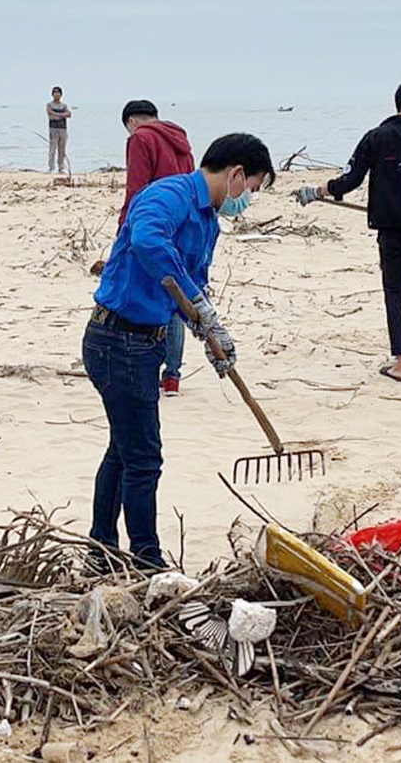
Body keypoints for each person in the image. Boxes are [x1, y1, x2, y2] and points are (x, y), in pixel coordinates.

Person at [85, 133, 275, 570]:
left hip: (145, 343)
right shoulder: (167, 195)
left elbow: (189, 291)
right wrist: (198, 304)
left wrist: (211, 332)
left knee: (125, 448)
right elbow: (150, 243)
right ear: (237, 175)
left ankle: (101, 546)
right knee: (144, 457)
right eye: (251, 189)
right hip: (117, 340)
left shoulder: (208, 221)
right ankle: (145, 558)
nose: (247, 200)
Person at [295, 80, 401, 382]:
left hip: (390, 230)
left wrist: (320, 191)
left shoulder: (374, 138)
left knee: (395, 292)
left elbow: (352, 179)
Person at [120, 99, 197, 397]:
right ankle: (173, 374)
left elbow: (136, 189)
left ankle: (147, 367)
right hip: (184, 224)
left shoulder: (140, 138)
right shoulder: (180, 139)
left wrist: (124, 229)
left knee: (145, 296)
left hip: (153, 225)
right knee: (176, 299)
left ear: (131, 121)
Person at [48, 86, 71, 175]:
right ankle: (51, 168)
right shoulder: (50, 105)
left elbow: (68, 114)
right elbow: (50, 114)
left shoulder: (64, 105)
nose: (56, 94)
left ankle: (61, 167)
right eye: (55, 92)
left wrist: (57, 114)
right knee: (52, 149)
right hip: (53, 129)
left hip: (63, 129)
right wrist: (61, 114)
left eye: (58, 92)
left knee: (62, 150)